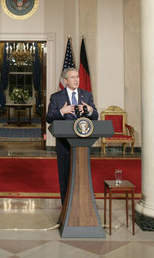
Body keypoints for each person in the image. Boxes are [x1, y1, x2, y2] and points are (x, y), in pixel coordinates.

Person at [46, 68, 98, 204]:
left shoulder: (86, 95)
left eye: (77, 77)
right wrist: (62, 111)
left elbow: (95, 116)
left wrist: (91, 110)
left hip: (83, 143)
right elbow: (49, 117)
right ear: (65, 81)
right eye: (73, 77)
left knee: (82, 176)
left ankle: (82, 205)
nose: (77, 80)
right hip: (64, 144)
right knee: (65, 177)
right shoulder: (56, 97)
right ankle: (66, 208)